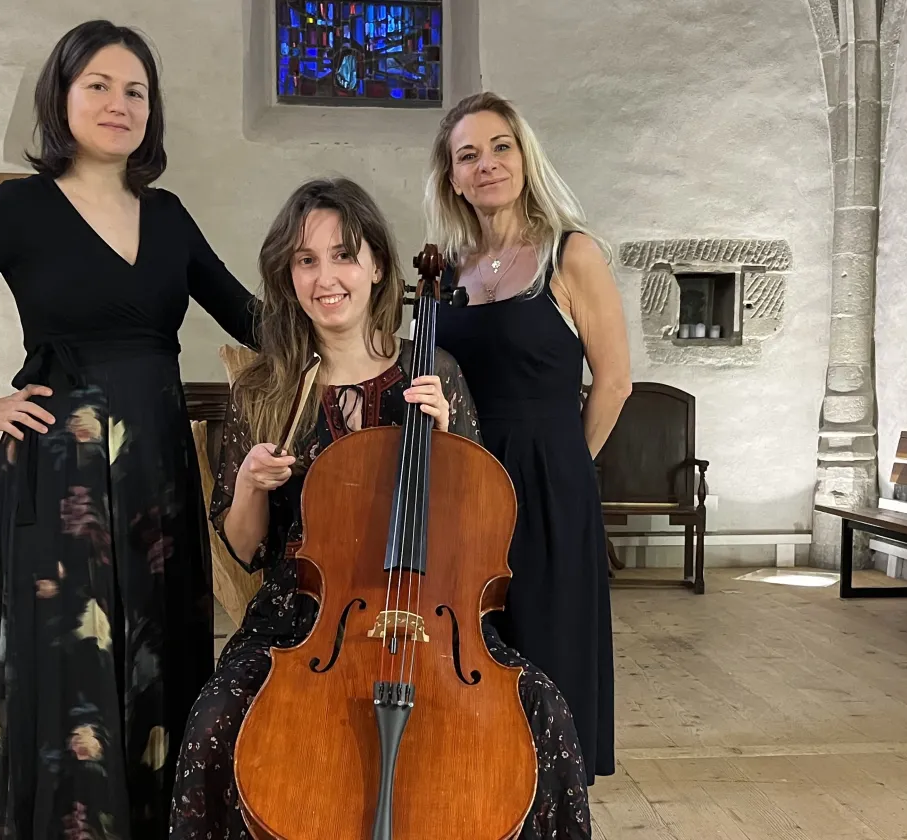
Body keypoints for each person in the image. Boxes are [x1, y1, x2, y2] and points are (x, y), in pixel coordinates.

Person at [0, 20, 260, 840]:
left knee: (161, 656)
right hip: (62, 482)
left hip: (157, 478)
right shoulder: (16, 208)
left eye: (136, 91)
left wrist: (360, 318)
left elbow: (251, 320)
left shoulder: (168, 216)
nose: (119, 104)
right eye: (98, 85)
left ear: (151, 112)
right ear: (61, 96)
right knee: (70, 670)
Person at [168, 177, 592, 839]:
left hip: (430, 610)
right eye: (306, 260)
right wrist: (250, 482)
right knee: (216, 716)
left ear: (376, 268)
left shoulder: (435, 373)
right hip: (304, 619)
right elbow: (246, 547)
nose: (325, 276)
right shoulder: (265, 388)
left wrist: (448, 438)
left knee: (545, 710)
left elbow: (478, 523)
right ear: (288, 276)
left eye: (343, 255)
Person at [424, 91, 632, 785]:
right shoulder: (447, 272)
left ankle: (552, 803)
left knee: (546, 647)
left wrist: (569, 465)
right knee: (476, 647)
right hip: (463, 479)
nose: (487, 165)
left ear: (525, 156)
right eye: (469, 155)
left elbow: (614, 382)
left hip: (546, 477)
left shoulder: (572, 253)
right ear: (452, 176)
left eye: (501, 148)